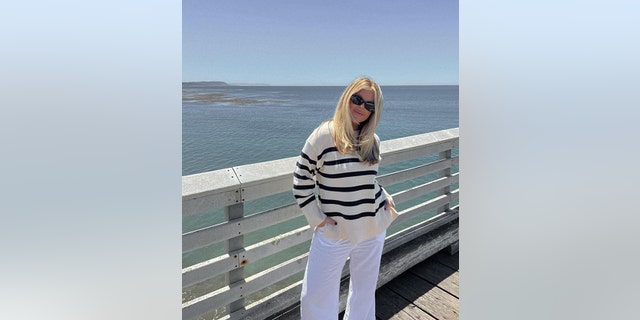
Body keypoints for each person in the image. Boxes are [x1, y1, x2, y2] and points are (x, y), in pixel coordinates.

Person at [292, 76, 398, 319]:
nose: (361, 107)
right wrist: (316, 218)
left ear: (374, 112)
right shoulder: (323, 135)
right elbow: (301, 179)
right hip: (335, 231)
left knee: (364, 293)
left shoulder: (373, 141)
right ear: (347, 97)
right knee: (316, 298)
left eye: (369, 105)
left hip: (372, 227)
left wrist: (384, 196)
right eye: (357, 99)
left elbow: (366, 180)